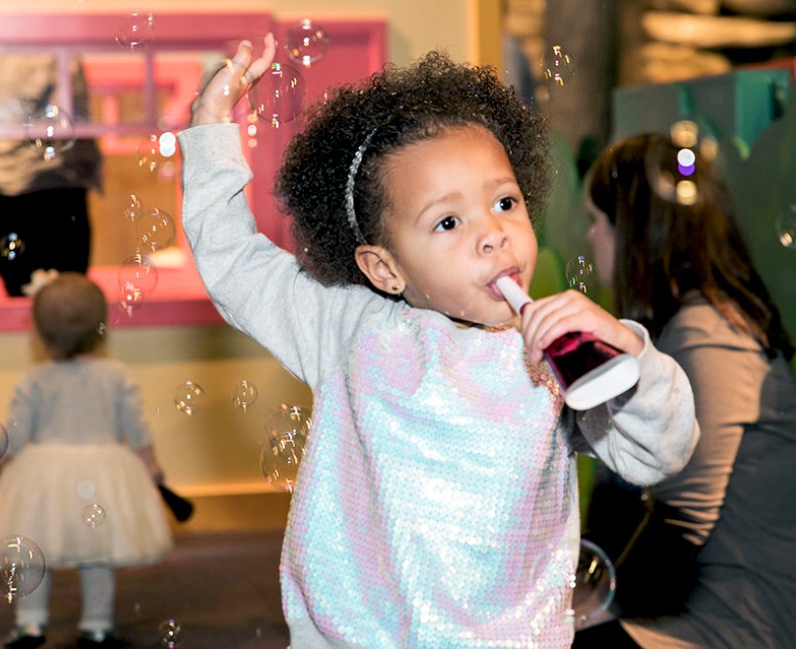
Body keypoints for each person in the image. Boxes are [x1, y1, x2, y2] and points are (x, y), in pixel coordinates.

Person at [178, 35, 699, 647]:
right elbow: (237, 265)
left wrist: (628, 353)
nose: (493, 235)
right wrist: (210, 130)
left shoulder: (556, 352)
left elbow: (658, 452)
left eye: (505, 202)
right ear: (384, 269)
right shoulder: (350, 329)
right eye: (448, 221)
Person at [573, 132, 796, 648]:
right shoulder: (679, 329)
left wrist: (580, 613)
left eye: (597, 221)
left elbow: (680, 528)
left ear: (637, 231)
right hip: (685, 619)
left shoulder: (708, 332)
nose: (590, 237)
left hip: (733, 631)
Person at [0, 272, 171, 649]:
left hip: (43, 476)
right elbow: (138, 427)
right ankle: (96, 626)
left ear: (38, 331)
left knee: (33, 549)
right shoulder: (116, 375)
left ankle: (30, 624)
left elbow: (15, 431)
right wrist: (150, 465)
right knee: (99, 550)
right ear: (100, 329)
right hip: (103, 474)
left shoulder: (35, 379)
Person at [0, 53, 102, 296]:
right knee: (68, 294)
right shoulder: (60, 51)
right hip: (58, 182)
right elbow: (76, 117)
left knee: (31, 290)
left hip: (10, 183)